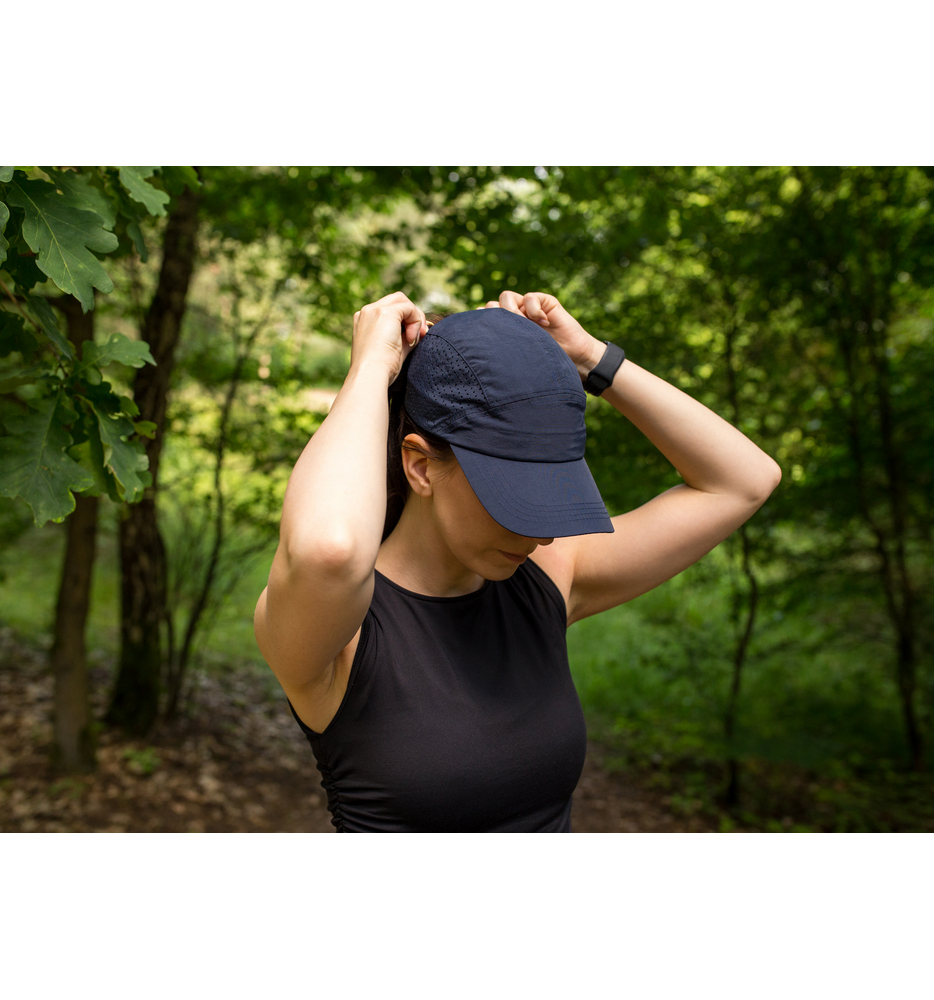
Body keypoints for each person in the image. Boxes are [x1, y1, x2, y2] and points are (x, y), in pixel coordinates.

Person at [253, 290, 781, 832]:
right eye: (512, 498)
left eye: (548, 494)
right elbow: (329, 550)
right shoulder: (340, 627)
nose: (540, 534)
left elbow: (744, 481)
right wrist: (370, 369)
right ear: (421, 466)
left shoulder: (546, 580)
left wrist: (588, 359)